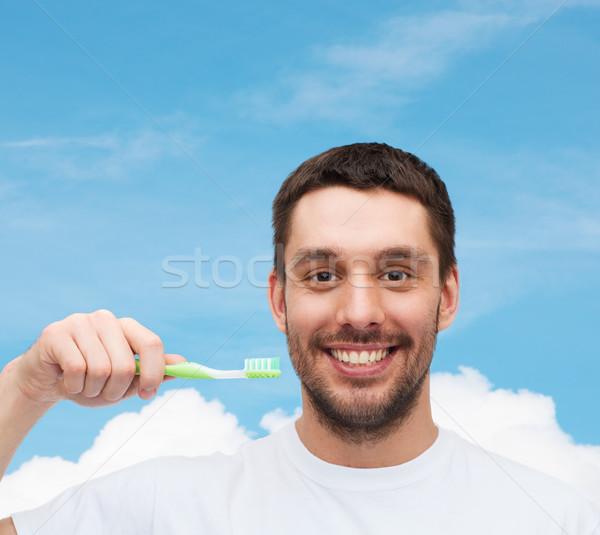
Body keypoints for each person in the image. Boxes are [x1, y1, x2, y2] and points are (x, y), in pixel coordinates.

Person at [0, 143, 598, 534]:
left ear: (446, 296)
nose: (359, 313)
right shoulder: (163, 507)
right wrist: (26, 388)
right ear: (279, 301)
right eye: (322, 275)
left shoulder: (556, 519)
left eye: (395, 273)